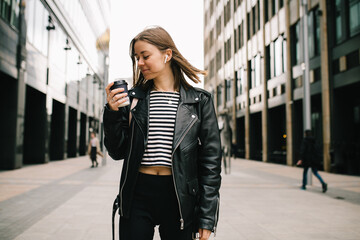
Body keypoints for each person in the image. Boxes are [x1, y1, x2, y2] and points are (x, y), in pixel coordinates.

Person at [103, 26, 222, 240]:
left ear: (167, 55)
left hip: (180, 197)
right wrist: (112, 113)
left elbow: (211, 162)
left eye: (145, 56)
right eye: (136, 58)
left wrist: (207, 216)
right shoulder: (133, 100)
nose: (139, 63)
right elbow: (117, 151)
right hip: (137, 194)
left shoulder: (199, 101)